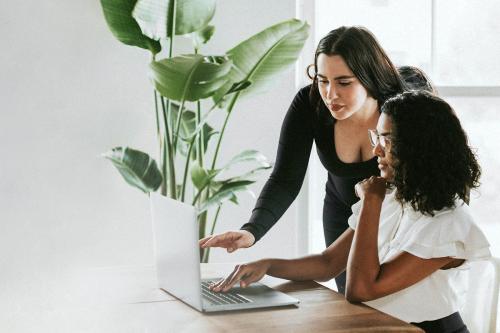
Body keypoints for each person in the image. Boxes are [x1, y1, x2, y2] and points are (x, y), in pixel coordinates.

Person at [209, 91, 491, 333]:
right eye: (376, 137)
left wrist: (371, 202)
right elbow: (328, 262)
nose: (377, 149)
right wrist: (268, 265)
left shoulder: (448, 222)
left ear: (420, 146)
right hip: (377, 326)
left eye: (387, 139)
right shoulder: (394, 199)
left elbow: (360, 289)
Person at [200, 26, 407, 294]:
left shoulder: (401, 110)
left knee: (397, 303)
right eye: (322, 80)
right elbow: (286, 178)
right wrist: (252, 232)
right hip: (344, 215)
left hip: (398, 215)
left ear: (370, 78)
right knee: (354, 301)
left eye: (344, 82)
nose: (330, 94)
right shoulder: (310, 104)